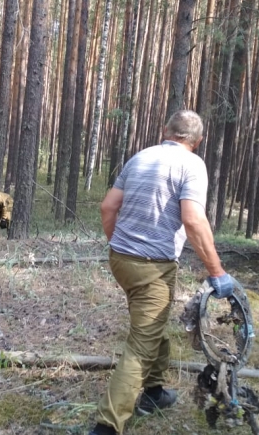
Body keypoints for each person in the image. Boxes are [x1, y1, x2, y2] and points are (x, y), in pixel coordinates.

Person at [88, 110, 235, 435]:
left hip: (121, 260)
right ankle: (107, 426)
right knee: (142, 343)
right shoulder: (192, 164)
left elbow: (108, 206)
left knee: (151, 326)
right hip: (151, 267)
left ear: (165, 130)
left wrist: (120, 245)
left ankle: (153, 393)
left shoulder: (141, 157)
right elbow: (193, 220)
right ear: (197, 142)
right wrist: (217, 271)